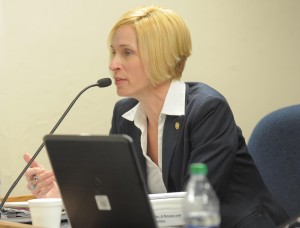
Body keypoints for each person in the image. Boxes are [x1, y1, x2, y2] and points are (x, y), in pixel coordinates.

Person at [23, 5, 289, 228]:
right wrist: (69, 193)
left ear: (160, 55)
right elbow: (120, 197)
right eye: (113, 52)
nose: (113, 63)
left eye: (126, 52)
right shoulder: (125, 114)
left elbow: (195, 203)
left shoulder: (207, 109)